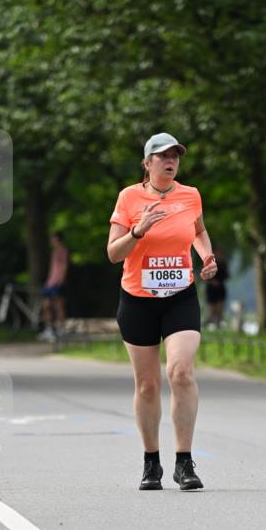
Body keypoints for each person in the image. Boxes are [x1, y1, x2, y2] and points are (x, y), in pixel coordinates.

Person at [107, 132, 218, 491]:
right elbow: (113, 253)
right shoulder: (129, 197)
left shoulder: (191, 196)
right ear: (147, 163)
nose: (170, 161)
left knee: (181, 372)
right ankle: (150, 462)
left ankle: (184, 463)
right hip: (137, 299)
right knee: (147, 384)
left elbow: (199, 231)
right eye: (162, 156)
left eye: (175, 156)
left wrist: (207, 255)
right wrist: (138, 231)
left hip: (179, 296)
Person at [38, 232, 69, 341]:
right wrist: (48, 281)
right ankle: (49, 329)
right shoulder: (54, 252)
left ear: (58, 240)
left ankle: (61, 329)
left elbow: (63, 266)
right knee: (46, 306)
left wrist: (60, 280)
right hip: (50, 283)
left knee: (58, 306)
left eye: (53, 239)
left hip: (57, 283)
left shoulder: (62, 251)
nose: (51, 241)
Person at [205, 246, 229, 327]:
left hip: (220, 288)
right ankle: (208, 323)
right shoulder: (209, 263)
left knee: (219, 309)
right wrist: (212, 281)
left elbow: (226, 275)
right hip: (211, 288)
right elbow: (205, 275)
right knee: (212, 310)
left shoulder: (223, 264)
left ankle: (218, 324)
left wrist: (219, 281)